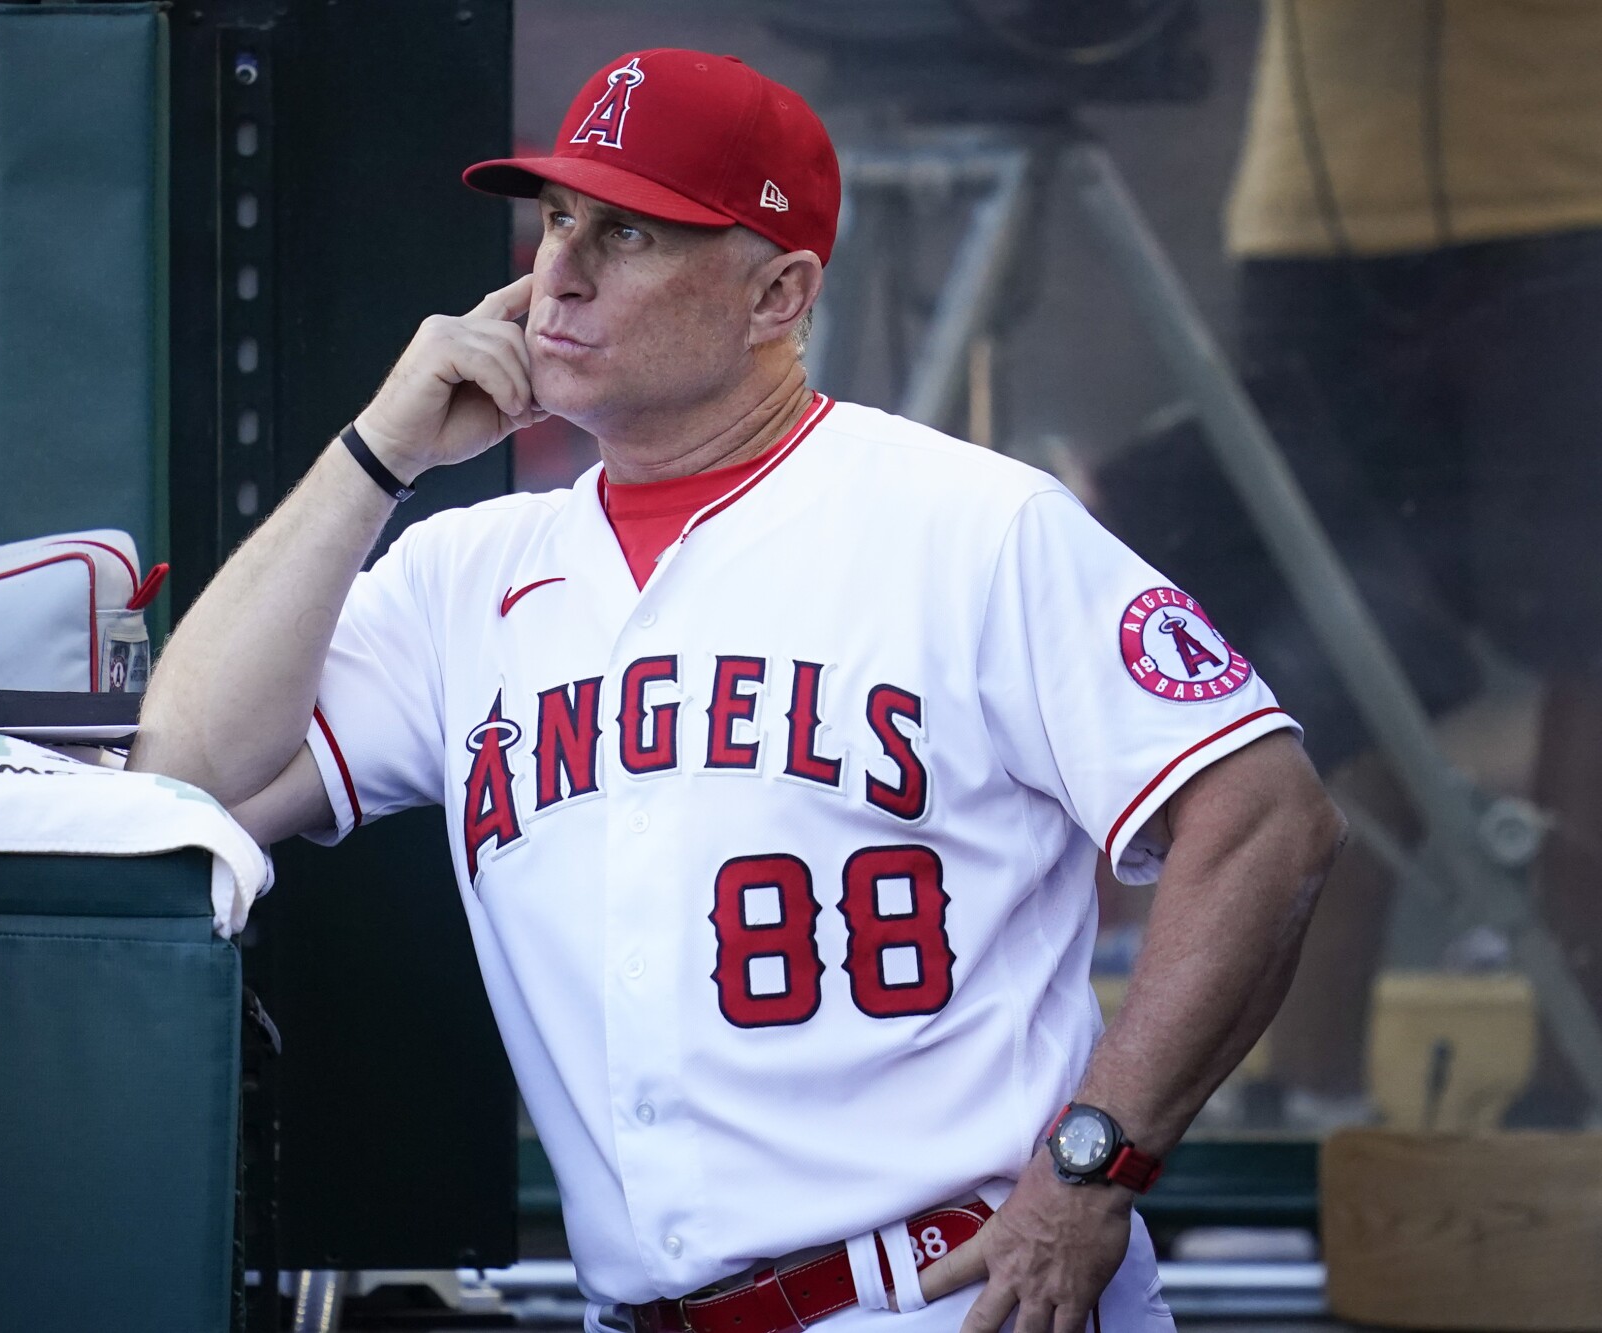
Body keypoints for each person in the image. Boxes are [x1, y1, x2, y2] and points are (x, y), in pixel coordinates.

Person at [133, 49, 1344, 1333]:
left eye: (631, 233)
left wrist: (1096, 1169)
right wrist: (374, 454)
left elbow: (1265, 821)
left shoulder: (971, 525)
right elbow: (182, 773)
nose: (562, 270)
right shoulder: (461, 576)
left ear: (777, 293)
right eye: (556, 220)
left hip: (947, 1294)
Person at [1225, 0, 1602, 1125]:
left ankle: (1571, 1087)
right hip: (1310, 205)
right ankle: (1305, 1089)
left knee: (1586, 647)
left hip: (1566, 195)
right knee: (1332, 647)